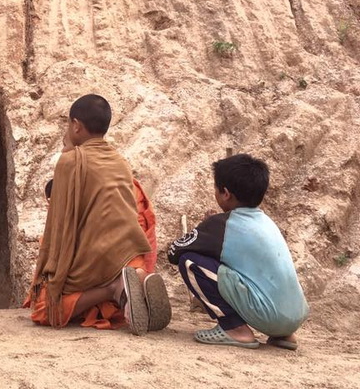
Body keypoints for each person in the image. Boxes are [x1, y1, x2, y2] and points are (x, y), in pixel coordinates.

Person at [30, 94, 171, 334]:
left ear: (76, 125)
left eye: (67, 124)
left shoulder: (69, 161)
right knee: (123, 277)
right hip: (127, 256)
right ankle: (136, 281)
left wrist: (51, 275)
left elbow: (60, 226)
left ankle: (113, 289)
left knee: (45, 310)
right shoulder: (120, 162)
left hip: (92, 263)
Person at [168, 154, 309, 349]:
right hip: (295, 316)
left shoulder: (223, 224)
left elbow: (175, 251)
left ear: (225, 193)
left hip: (269, 316)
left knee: (189, 261)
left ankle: (234, 329)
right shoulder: (267, 222)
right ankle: (284, 335)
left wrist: (205, 226)